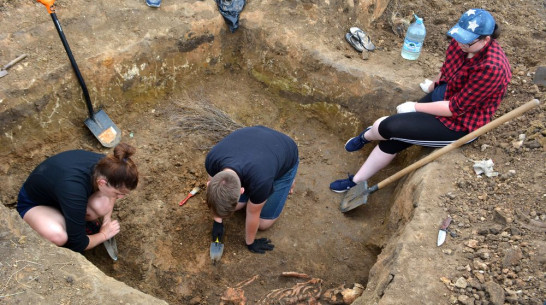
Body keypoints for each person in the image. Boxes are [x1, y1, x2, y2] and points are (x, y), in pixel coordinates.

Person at [330, 8, 511, 193]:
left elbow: (454, 109)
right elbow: (448, 68)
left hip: (459, 123)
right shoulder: (461, 43)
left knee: (388, 128)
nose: (460, 44)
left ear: (486, 39)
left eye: (467, 41)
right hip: (444, 97)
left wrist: (415, 106)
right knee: (392, 137)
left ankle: (363, 152)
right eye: (459, 37)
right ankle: (363, 153)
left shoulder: (492, 68)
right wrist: (434, 85)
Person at [16, 143, 139, 252]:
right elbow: (78, 244)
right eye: (118, 193)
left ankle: (73, 220)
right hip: (36, 204)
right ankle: (65, 225)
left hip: (61, 194)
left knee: (102, 204)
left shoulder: (111, 166)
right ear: (102, 182)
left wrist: (106, 220)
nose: (120, 197)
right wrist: (104, 235)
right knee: (58, 236)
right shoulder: (74, 190)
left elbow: (111, 191)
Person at [205, 126, 299, 254]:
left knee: (263, 224)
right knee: (235, 206)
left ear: (241, 191)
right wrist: (217, 220)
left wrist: (251, 243)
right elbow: (215, 193)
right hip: (255, 143)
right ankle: (251, 191)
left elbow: (253, 213)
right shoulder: (212, 159)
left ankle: (289, 180)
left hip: (285, 153)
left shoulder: (262, 181)